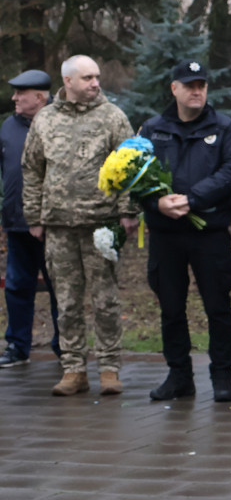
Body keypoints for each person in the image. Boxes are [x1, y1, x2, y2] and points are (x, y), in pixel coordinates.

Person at [22, 55, 140, 396]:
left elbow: (130, 165)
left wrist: (128, 211)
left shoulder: (112, 117)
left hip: (100, 223)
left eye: (97, 77)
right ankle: (73, 368)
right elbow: (32, 169)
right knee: (67, 301)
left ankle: (109, 368)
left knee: (105, 300)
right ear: (68, 81)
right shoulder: (46, 119)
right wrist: (34, 217)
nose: (95, 83)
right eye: (87, 78)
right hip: (59, 226)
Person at [138, 60, 231, 403]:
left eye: (201, 85)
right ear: (174, 89)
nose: (197, 91)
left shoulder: (225, 128)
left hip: (208, 234)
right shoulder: (152, 129)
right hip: (166, 234)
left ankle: (222, 375)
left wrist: (193, 199)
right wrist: (157, 202)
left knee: (218, 305)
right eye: (189, 85)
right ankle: (179, 376)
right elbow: (133, 171)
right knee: (171, 307)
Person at [0, 69, 59, 368]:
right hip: (17, 221)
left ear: (39, 97)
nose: (14, 98)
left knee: (60, 287)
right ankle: (17, 345)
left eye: (20, 93)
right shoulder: (8, 126)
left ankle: (65, 346)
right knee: (17, 286)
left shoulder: (60, 123)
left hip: (55, 225)